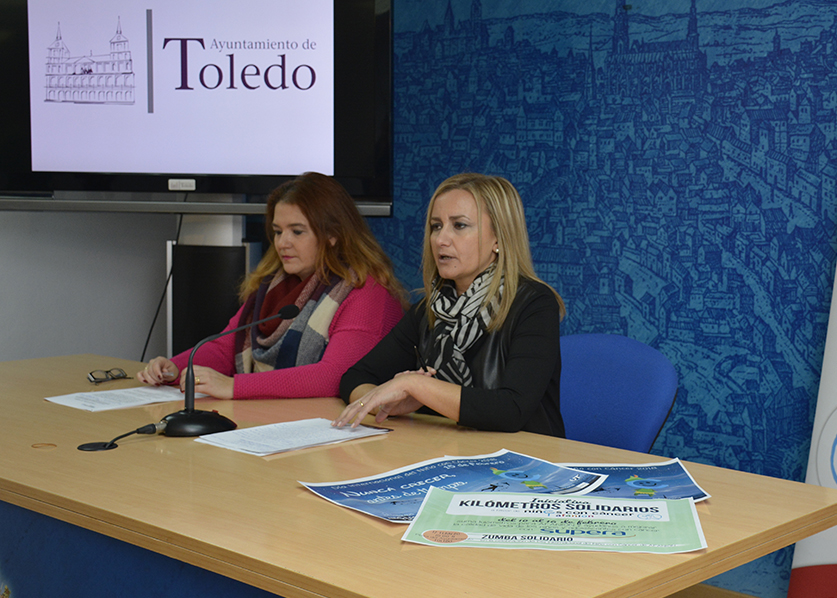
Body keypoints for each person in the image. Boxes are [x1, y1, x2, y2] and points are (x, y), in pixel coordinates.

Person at [137, 172, 406, 400]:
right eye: (278, 231)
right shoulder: (273, 285)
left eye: (297, 231)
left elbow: (334, 376)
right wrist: (174, 367)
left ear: (333, 234)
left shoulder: (366, 291)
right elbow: (223, 349)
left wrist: (234, 387)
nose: (282, 243)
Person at [334, 173, 566, 436]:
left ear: (499, 239)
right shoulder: (429, 310)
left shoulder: (534, 304)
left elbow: (511, 410)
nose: (441, 239)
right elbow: (355, 378)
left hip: (525, 465)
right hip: (449, 454)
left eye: (459, 226)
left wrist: (417, 386)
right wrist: (388, 404)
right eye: (436, 226)